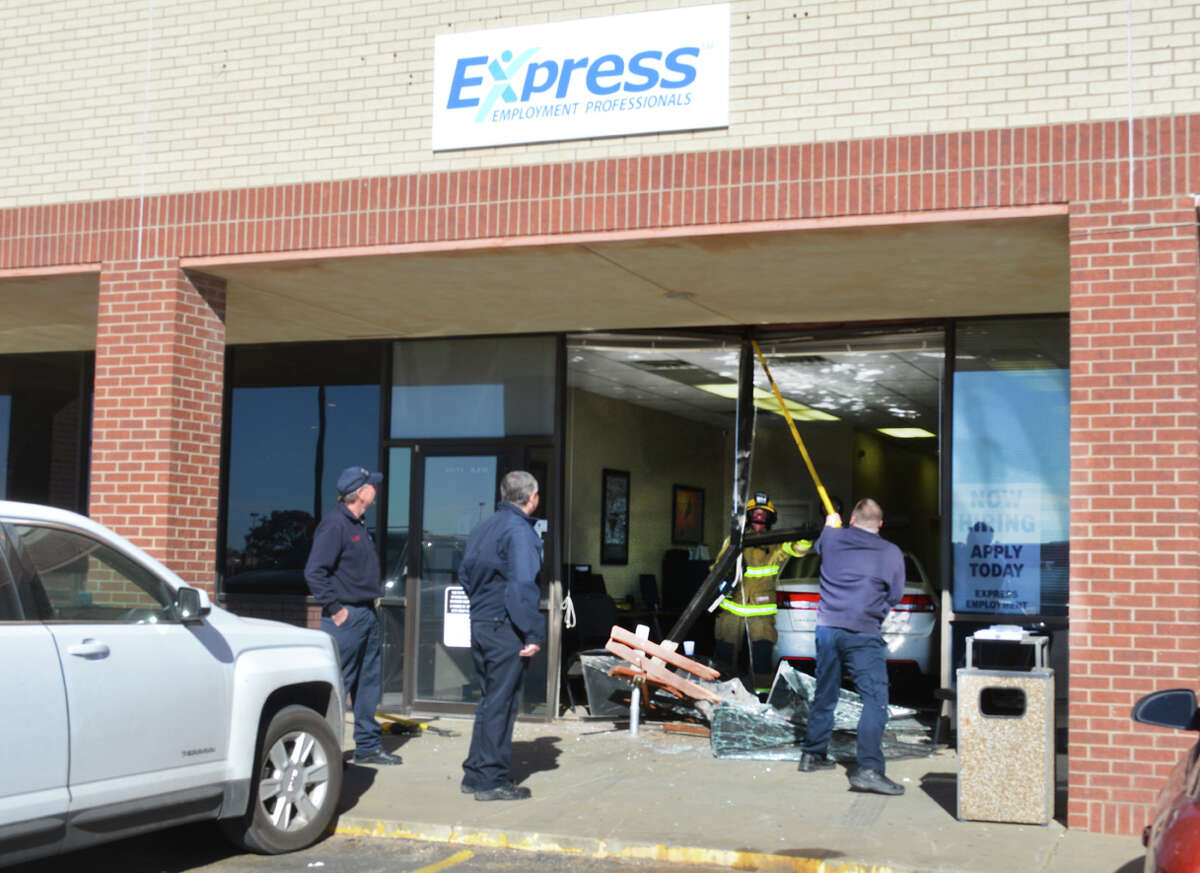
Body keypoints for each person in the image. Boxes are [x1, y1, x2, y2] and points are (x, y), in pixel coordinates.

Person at [799, 498, 905, 795]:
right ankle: (869, 769)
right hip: (863, 632)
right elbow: (895, 595)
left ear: (853, 520)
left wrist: (830, 526)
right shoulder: (890, 552)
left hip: (828, 629)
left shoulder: (833, 538)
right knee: (874, 700)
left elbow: (821, 546)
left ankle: (812, 754)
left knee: (826, 690)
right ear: (880, 524)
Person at [304, 465, 402, 767]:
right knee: (337, 685)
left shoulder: (358, 524)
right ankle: (316, 753)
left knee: (368, 683)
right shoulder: (335, 525)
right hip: (345, 619)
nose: (376, 488)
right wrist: (336, 609)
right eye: (372, 485)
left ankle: (368, 747)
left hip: (366, 614)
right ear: (360, 492)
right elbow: (314, 572)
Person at [459, 470, 545, 801]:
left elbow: (466, 574)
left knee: (490, 701)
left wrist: (483, 604)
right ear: (531, 497)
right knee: (502, 703)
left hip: (482, 621)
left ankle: (475, 772)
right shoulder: (519, 531)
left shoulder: (484, 526)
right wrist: (532, 632)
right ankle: (491, 781)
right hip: (504, 625)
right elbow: (522, 585)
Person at [713, 492, 812, 694]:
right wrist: (724, 579)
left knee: (761, 660)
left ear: (770, 519)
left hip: (760, 614)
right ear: (749, 517)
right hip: (732, 611)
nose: (759, 518)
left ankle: (763, 698)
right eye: (755, 514)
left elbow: (797, 549)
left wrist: (806, 536)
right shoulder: (734, 540)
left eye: (763, 515)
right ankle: (721, 696)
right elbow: (716, 568)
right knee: (724, 658)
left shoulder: (775, 543)